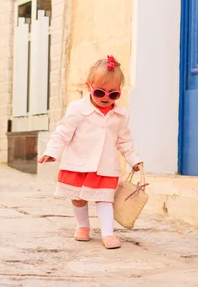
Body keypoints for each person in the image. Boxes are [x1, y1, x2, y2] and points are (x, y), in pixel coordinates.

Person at [38, 55, 143, 249]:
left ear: (119, 92)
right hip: (78, 163)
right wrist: (52, 151)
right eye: (100, 92)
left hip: (105, 165)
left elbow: (124, 140)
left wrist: (133, 159)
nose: (105, 98)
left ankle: (108, 233)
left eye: (113, 94)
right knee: (78, 198)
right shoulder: (77, 109)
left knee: (105, 199)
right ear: (89, 86)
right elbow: (63, 132)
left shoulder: (120, 115)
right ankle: (82, 226)